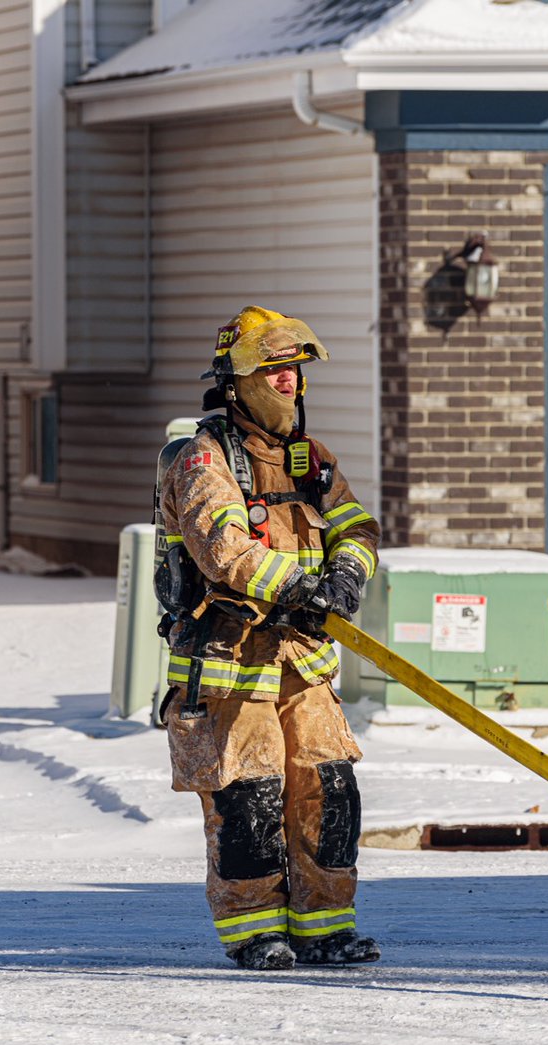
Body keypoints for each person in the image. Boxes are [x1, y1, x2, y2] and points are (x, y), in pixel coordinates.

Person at [157, 305, 380, 971]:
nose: (288, 382)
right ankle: (255, 933)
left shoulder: (308, 459)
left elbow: (356, 526)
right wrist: (296, 587)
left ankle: (325, 927)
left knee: (328, 794)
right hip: (230, 665)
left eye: (294, 371)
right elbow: (222, 548)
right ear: (237, 382)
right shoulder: (202, 458)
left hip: (302, 664)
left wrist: (342, 573)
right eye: (273, 370)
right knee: (248, 799)